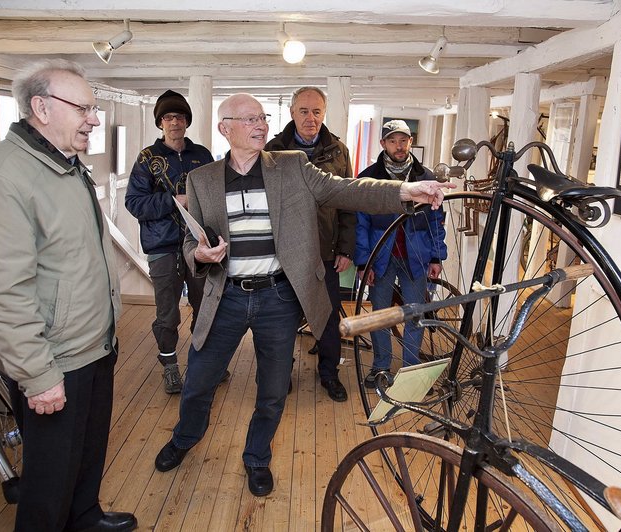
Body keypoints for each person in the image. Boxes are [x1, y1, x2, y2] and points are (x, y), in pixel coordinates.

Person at [154, 93, 453, 497]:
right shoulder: (202, 179)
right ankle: (185, 438)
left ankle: (257, 457)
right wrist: (201, 254)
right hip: (225, 297)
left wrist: (405, 191)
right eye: (248, 119)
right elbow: (193, 240)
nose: (260, 125)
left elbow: (348, 189)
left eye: (262, 117)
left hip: (277, 298)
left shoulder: (292, 165)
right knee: (200, 380)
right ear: (225, 128)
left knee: (274, 388)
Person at [0, 59, 136, 531]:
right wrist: (37, 374)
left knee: (86, 454)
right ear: (40, 107)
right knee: (49, 480)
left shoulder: (65, 166)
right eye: (84, 108)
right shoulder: (3, 176)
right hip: (54, 359)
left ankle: (84, 517)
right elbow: (3, 290)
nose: (94, 119)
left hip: (92, 346)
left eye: (94, 109)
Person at [125, 90, 223, 395]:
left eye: (179, 117)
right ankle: (169, 366)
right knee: (167, 313)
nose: (174, 122)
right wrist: (173, 201)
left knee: (204, 306)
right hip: (163, 247)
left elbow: (216, 196)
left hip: (198, 245)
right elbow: (134, 203)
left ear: (186, 121)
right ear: (160, 123)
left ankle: (202, 363)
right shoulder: (147, 158)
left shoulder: (202, 156)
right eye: (168, 117)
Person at [265, 86, 354, 402]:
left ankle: (329, 374)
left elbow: (348, 202)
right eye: (304, 111)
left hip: (325, 254)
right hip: (285, 254)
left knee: (328, 317)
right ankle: (281, 375)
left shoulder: (339, 152)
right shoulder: (273, 151)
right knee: (284, 317)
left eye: (316, 111)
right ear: (291, 113)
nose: (310, 118)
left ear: (324, 113)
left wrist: (345, 248)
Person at [355, 120, 448, 388]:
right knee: (380, 314)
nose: (399, 146)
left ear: (410, 142)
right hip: (380, 257)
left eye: (403, 140)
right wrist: (363, 261)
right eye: (393, 141)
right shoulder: (368, 179)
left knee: (415, 314)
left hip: (416, 258)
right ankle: (381, 366)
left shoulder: (426, 178)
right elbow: (361, 224)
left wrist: (436, 257)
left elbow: (436, 222)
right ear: (383, 144)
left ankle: (410, 371)